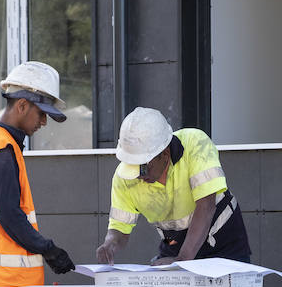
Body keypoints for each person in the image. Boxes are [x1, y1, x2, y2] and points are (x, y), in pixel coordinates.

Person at [0, 61, 75, 287]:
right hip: (4, 284)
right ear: (22, 105)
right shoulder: (2, 149)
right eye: (41, 114)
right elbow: (9, 214)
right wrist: (48, 249)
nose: (43, 122)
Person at [96, 107, 250, 265]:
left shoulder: (195, 144)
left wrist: (182, 259)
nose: (139, 176)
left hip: (224, 243)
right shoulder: (124, 178)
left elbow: (206, 206)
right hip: (175, 246)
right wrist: (110, 244)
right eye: (132, 167)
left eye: (142, 167)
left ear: (165, 153)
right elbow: (120, 228)